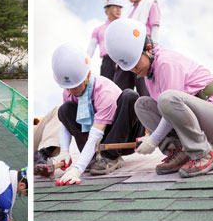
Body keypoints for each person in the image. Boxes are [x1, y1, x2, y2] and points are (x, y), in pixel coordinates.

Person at [105, 18, 213, 178]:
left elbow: (170, 103)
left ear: (147, 49)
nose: (134, 70)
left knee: (167, 98)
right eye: (129, 67)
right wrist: (152, 136)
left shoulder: (166, 63)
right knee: (142, 104)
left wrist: (154, 139)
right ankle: (180, 151)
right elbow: (166, 111)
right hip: (199, 119)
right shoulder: (149, 73)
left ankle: (204, 153)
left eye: (135, 63)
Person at [52, 43, 144, 186]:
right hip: (99, 138)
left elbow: (96, 134)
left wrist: (77, 169)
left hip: (123, 135)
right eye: (68, 88)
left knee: (129, 96)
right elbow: (66, 123)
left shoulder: (103, 92)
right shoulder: (69, 92)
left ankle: (111, 157)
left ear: (88, 75)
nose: (72, 91)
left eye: (76, 86)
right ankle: (93, 159)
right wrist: (64, 151)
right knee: (64, 109)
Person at [115, 0, 159, 95]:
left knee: (144, 90)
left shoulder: (150, 4)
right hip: (127, 50)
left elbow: (155, 29)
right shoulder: (129, 13)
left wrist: (153, 54)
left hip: (144, 50)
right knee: (119, 90)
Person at [86, 0, 123, 81]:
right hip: (107, 62)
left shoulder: (124, 27)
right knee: (107, 88)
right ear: (107, 10)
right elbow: (91, 48)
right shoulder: (98, 29)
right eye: (115, 7)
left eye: (120, 8)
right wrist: (85, 63)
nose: (119, 10)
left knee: (123, 89)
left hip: (122, 60)